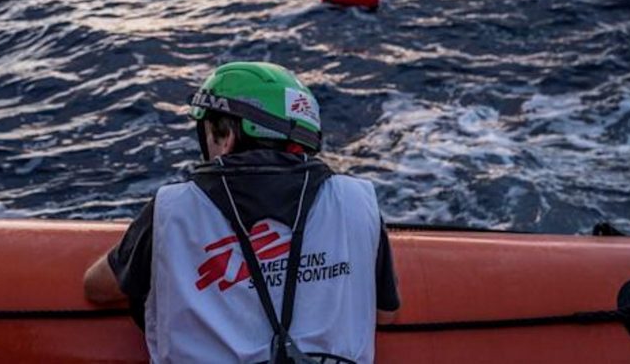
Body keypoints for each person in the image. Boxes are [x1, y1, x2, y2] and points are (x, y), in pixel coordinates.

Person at [84, 61, 399, 363]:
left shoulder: (172, 209)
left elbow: (98, 287)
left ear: (227, 136)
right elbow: (386, 313)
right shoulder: (359, 200)